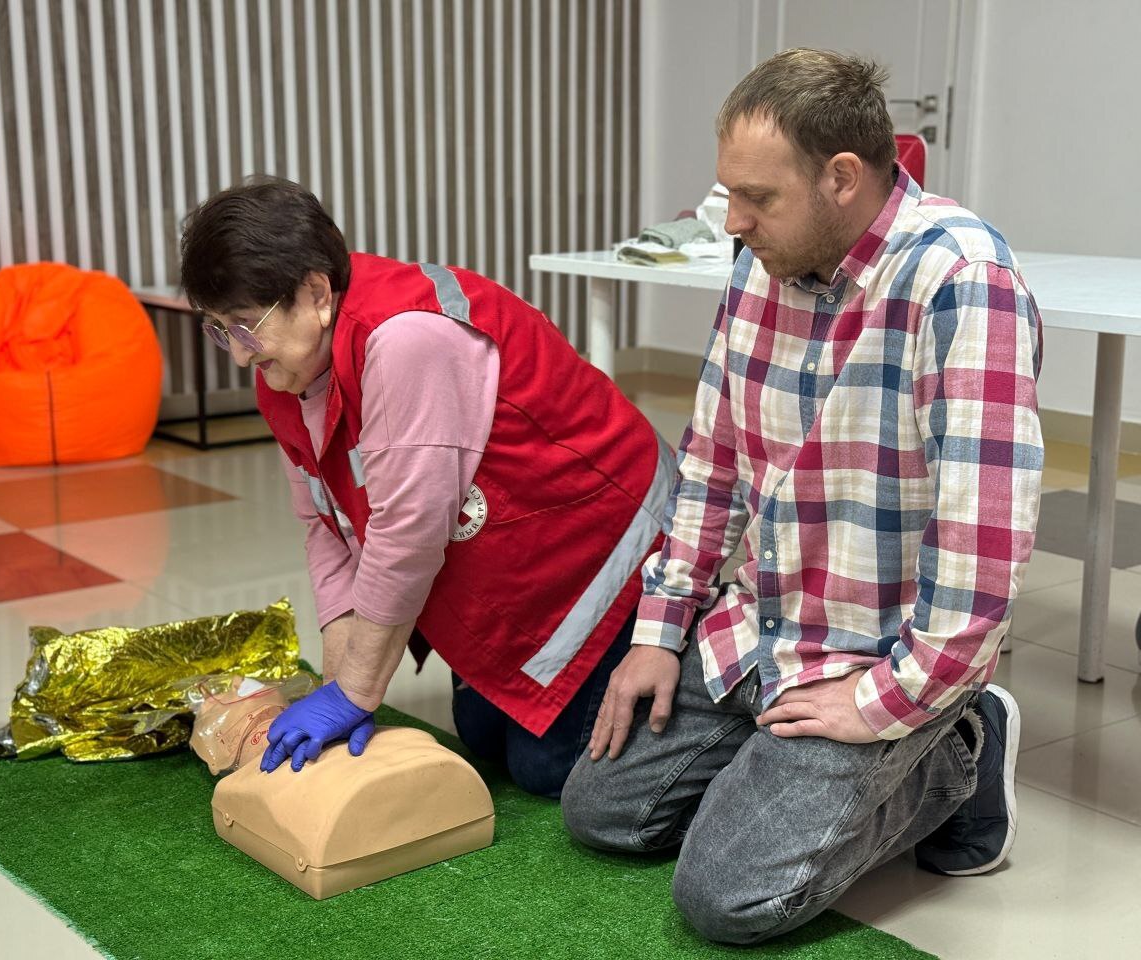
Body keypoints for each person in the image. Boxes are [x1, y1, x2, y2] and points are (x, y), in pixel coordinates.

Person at [560, 48, 1043, 944]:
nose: (732, 222)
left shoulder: (963, 284)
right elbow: (711, 464)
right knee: (600, 813)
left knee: (728, 899)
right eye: (727, 196)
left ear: (842, 177)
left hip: (875, 656)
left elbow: (981, 558)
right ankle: (793, 773)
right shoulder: (762, 261)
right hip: (762, 630)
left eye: (757, 198)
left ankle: (962, 748)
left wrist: (883, 704)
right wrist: (660, 633)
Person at [178, 178, 675, 797]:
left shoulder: (406, 338)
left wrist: (357, 692)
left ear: (315, 293)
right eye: (219, 330)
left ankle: (697, 664)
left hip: (609, 543)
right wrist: (340, 687)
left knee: (546, 769)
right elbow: (326, 525)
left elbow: (407, 532)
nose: (238, 355)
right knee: (482, 735)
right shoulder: (287, 371)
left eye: (245, 327)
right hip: (518, 560)